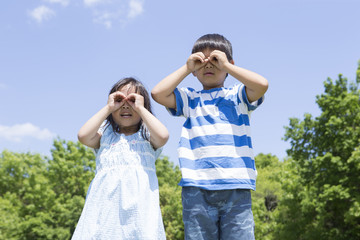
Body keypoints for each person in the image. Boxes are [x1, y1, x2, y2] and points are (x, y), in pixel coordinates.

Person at [151, 33, 268, 240]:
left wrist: (227, 66)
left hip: (236, 185)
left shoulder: (238, 95)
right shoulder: (190, 99)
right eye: (201, 60)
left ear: (228, 64)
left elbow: (262, 85)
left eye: (215, 59)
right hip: (197, 187)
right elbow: (158, 93)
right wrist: (187, 67)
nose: (208, 64)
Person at [72, 77, 169, 240]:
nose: (125, 105)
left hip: (139, 212)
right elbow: (83, 135)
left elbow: (163, 136)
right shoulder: (105, 135)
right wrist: (109, 107)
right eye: (119, 99)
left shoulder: (146, 135)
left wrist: (140, 107)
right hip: (104, 211)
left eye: (132, 100)